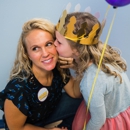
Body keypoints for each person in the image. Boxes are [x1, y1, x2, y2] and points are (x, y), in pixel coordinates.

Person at [0, 18, 82, 130]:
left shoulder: (58, 67)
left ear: (57, 43)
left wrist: (79, 66)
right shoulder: (18, 88)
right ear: (27, 54)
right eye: (35, 48)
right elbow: (17, 128)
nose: (45, 54)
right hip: (23, 126)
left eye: (48, 44)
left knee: (83, 100)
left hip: (47, 116)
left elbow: (75, 93)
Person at [54, 11, 130, 130]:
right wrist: (75, 65)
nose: (54, 44)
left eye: (59, 42)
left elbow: (98, 120)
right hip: (121, 109)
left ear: (77, 50)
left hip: (106, 122)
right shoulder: (106, 56)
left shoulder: (90, 83)